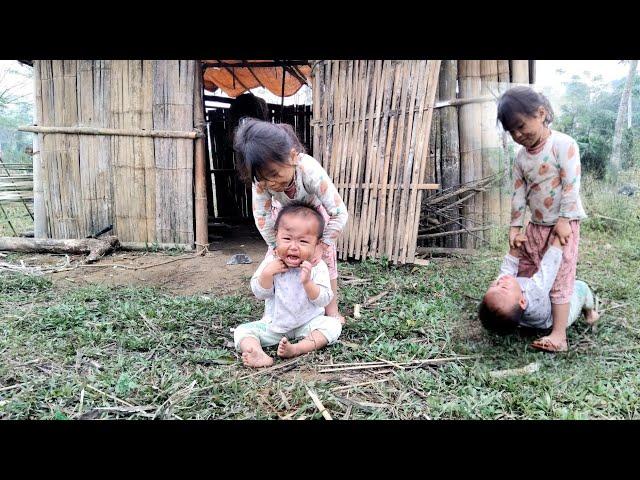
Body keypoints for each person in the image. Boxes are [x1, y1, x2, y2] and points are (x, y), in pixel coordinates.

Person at [497, 86, 588, 352]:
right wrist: (515, 226)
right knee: (529, 273)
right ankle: (529, 315)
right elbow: (518, 193)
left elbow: (572, 184)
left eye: (521, 126)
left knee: (560, 277)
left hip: (562, 225)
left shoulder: (563, 144)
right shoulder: (521, 158)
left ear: (541, 113)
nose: (517, 135)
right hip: (534, 227)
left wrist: (565, 219)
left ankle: (559, 334)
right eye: (511, 131)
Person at [233, 118, 349, 323]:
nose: (271, 183)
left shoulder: (310, 171)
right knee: (276, 261)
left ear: (293, 157)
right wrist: (275, 246)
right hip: (284, 220)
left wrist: (322, 245)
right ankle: (277, 309)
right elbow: (262, 218)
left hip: (314, 220)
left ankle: (331, 309)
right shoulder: (261, 182)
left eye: (275, 175)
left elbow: (340, 213)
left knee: (326, 262)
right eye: (263, 179)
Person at [233, 201, 342, 368]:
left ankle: (298, 348)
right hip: (274, 325)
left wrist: (308, 283)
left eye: (303, 242)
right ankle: (257, 353)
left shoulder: (317, 266)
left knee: (333, 325)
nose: (293, 247)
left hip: (309, 323)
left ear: (317, 245)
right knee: (243, 330)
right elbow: (259, 293)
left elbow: (324, 299)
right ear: (276, 238)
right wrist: (268, 273)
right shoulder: (271, 262)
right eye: (287, 239)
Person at [479, 233, 599, 348]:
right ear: (522, 301)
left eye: (493, 285)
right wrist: (558, 242)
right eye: (504, 287)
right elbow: (547, 270)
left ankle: (527, 326)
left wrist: (514, 250)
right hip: (557, 316)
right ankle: (590, 313)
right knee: (581, 287)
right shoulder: (533, 296)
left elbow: (506, 270)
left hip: (532, 313)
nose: (500, 281)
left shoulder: (512, 299)